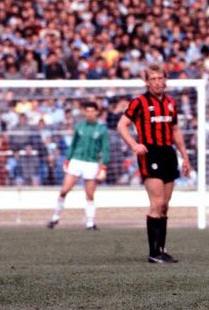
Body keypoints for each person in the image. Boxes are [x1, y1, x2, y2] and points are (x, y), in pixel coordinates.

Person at [117, 63, 191, 264]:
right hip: (150, 153)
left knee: (165, 206)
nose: (157, 82)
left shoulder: (170, 103)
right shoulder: (139, 102)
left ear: (165, 80)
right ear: (147, 82)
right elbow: (121, 125)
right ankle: (153, 253)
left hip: (168, 153)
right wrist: (134, 144)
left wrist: (185, 156)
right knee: (156, 203)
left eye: (160, 78)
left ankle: (161, 249)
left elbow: (175, 131)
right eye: (153, 79)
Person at [47, 101, 110, 230]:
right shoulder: (79, 126)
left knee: (90, 194)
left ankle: (90, 223)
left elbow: (105, 149)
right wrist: (67, 160)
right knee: (64, 190)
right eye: (88, 111)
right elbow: (73, 145)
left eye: (93, 111)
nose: (90, 113)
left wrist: (103, 167)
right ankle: (55, 218)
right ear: (84, 112)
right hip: (76, 161)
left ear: (97, 112)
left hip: (92, 163)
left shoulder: (102, 129)